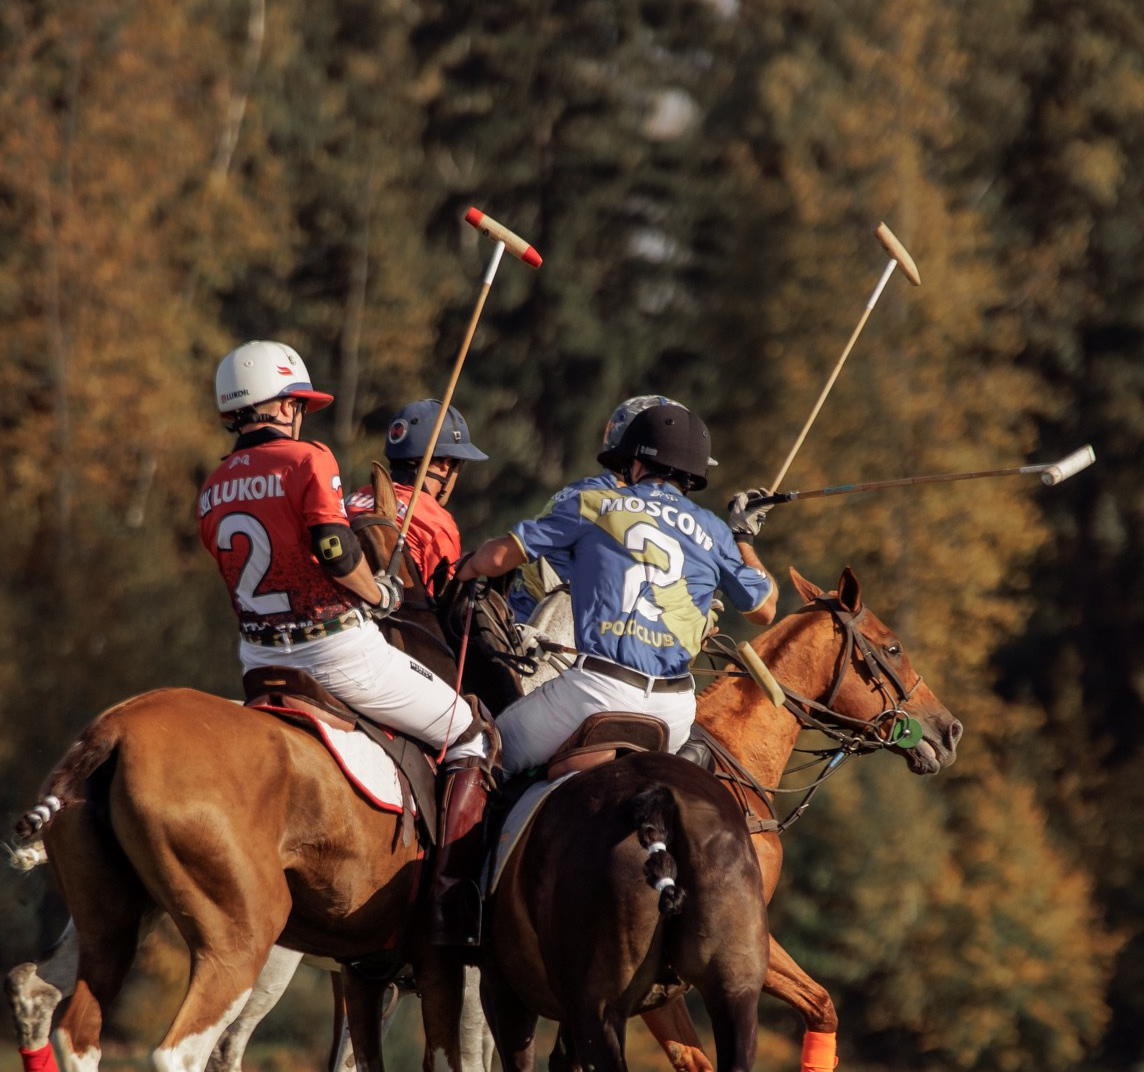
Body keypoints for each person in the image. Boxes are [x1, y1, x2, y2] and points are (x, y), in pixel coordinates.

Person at [196, 342, 492, 940]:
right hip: (331, 649)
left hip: (257, 658)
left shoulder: (213, 484)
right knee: (471, 733)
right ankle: (449, 900)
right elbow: (334, 551)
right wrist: (379, 595)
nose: (301, 413)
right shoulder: (308, 459)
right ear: (280, 404)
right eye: (298, 401)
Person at [458, 399, 778, 778]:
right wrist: (743, 538)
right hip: (674, 708)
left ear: (635, 463)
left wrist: (463, 568)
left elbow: (495, 560)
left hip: (597, 690)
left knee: (476, 749)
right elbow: (766, 609)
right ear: (692, 475)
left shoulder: (594, 502)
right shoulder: (714, 529)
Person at [344, 398, 485, 593]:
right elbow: (437, 603)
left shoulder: (355, 497)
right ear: (446, 463)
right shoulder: (436, 524)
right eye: (459, 465)